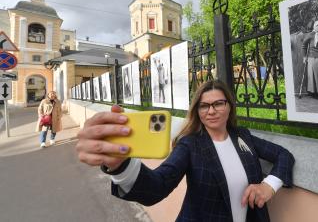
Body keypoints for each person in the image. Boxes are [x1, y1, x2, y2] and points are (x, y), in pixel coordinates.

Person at [76, 80, 295, 222]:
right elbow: (158, 186)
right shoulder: (190, 144)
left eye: (218, 103)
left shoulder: (243, 136)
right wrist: (121, 166)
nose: (211, 111)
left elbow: (283, 155)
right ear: (197, 111)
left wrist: (269, 185)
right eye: (203, 105)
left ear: (229, 106)